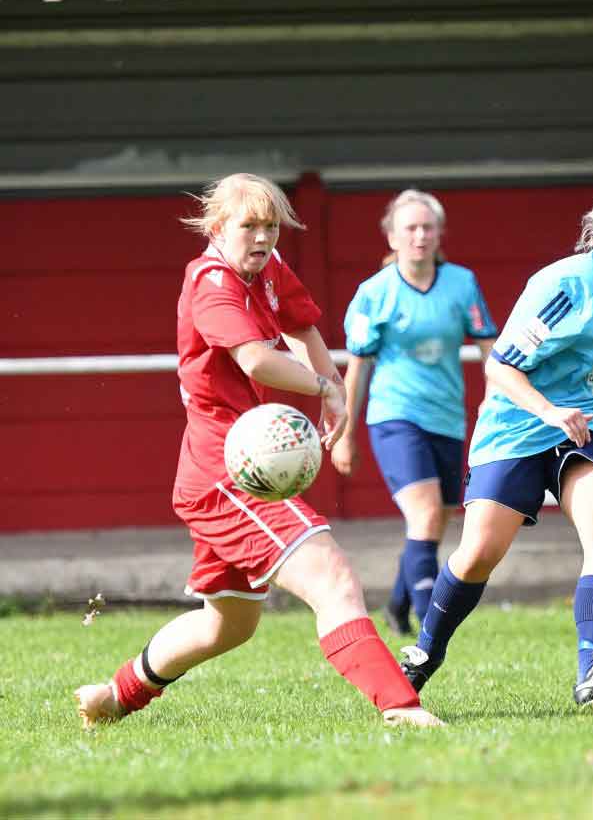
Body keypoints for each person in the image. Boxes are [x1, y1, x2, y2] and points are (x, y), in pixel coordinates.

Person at [74, 173, 441, 728]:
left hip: (223, 471)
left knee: (227, 625)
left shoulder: (265, 267)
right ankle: (401, 706)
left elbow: (302, 324)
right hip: (232, 474)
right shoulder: (211, 282)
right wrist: (322, 388)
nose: (264, 237)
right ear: (218, 227)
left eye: (271, 226)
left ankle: (112, 696)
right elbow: (257, 361)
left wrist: (334, 387)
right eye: (250, 225)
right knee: (333, 577)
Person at [398, 174, 593, 707]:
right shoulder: (561, 288)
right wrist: (549, 410)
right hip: (517, 426)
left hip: (589, 430)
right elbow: (499, 369)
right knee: (477, 556)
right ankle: (425, 653)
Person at [333, 189, 497, 635]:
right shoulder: (373, 294)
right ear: (391, 236)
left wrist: (497, 395)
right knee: (424, 515)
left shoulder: (462, 283)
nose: (420, 236)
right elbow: (358, 366)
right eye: (410, 228)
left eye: (428, 227)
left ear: (440, 233)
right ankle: (430, 626)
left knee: (438, 519)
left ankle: (397, 603)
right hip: (394, 416)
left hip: (446, 417)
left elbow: (490, 349)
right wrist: (345, 431)